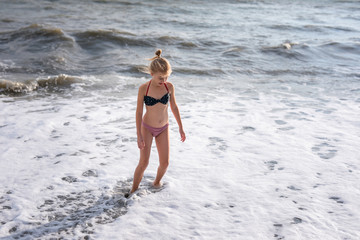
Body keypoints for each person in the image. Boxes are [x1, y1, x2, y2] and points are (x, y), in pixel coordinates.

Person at [130, 49, 186, 194]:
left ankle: (156, 183)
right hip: (147, 128)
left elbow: (174, 106)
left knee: (165, 163)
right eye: (161, 78)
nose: (164, 81)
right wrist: (139, 135)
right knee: (144, 163)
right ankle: (133, 191)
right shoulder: (144, 89)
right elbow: (138, 112)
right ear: (152, 74)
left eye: (166, 77)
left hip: (163, 128)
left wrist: (180, 127)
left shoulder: (169, 87)